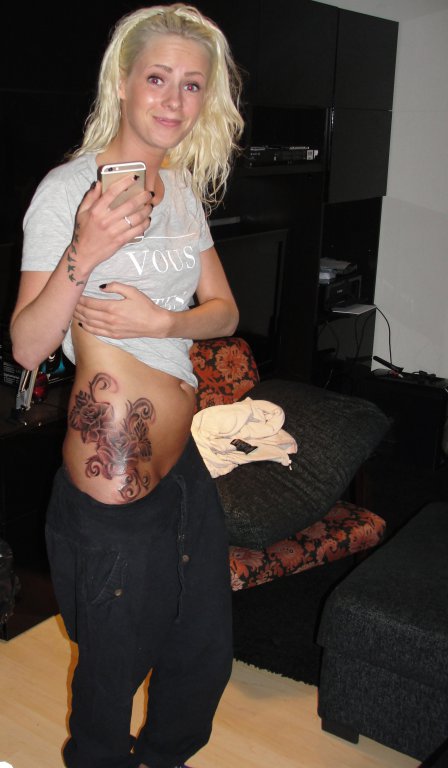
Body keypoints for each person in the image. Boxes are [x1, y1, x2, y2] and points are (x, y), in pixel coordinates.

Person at [10, 5, 244, 767]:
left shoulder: (180, 192)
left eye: (192, 85)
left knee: (202, 651)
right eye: (157, 78)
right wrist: (86, 248)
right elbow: (28, 345)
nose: (174, 100)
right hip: (113, 476)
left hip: (183, 464)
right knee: (113, 671)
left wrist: (162, 321)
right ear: (122, 82)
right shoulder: (68, 191)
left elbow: (225, 312)